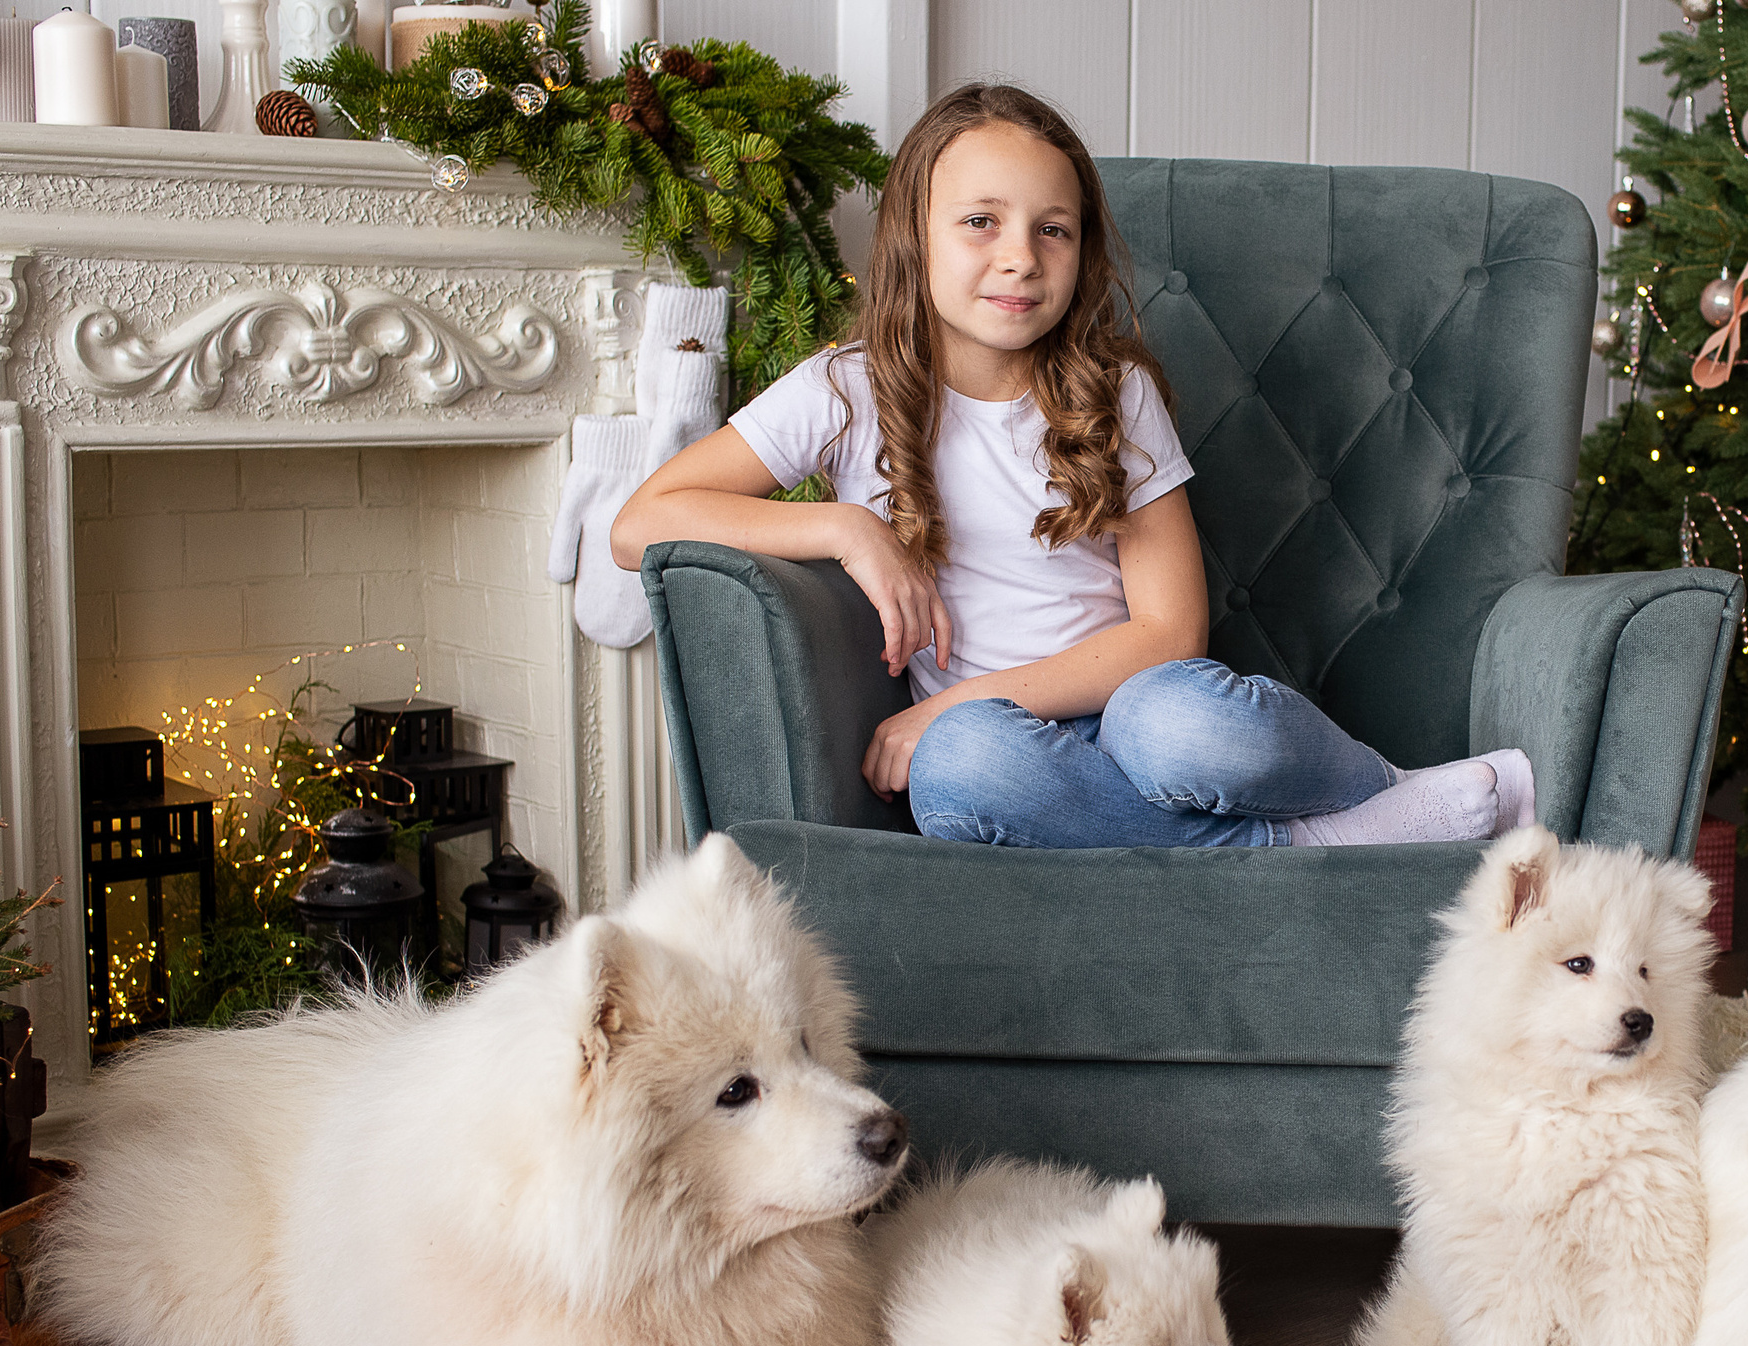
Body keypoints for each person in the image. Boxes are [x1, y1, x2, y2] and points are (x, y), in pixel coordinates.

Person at [612, 82, 1532, 849]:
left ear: (1082, 249)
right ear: (912, 235)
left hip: (1133, 710)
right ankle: (1304, 846)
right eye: (981, 221)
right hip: (1007, 751)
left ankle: (1388, 786)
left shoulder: (1111, 390)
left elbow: (1173, 632)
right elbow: (638, 524)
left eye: (1053, 229)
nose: (1019, 257)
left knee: (1176, 723)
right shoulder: (844, 390)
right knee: (961, 770)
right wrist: (843, 525)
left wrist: (947, 702)